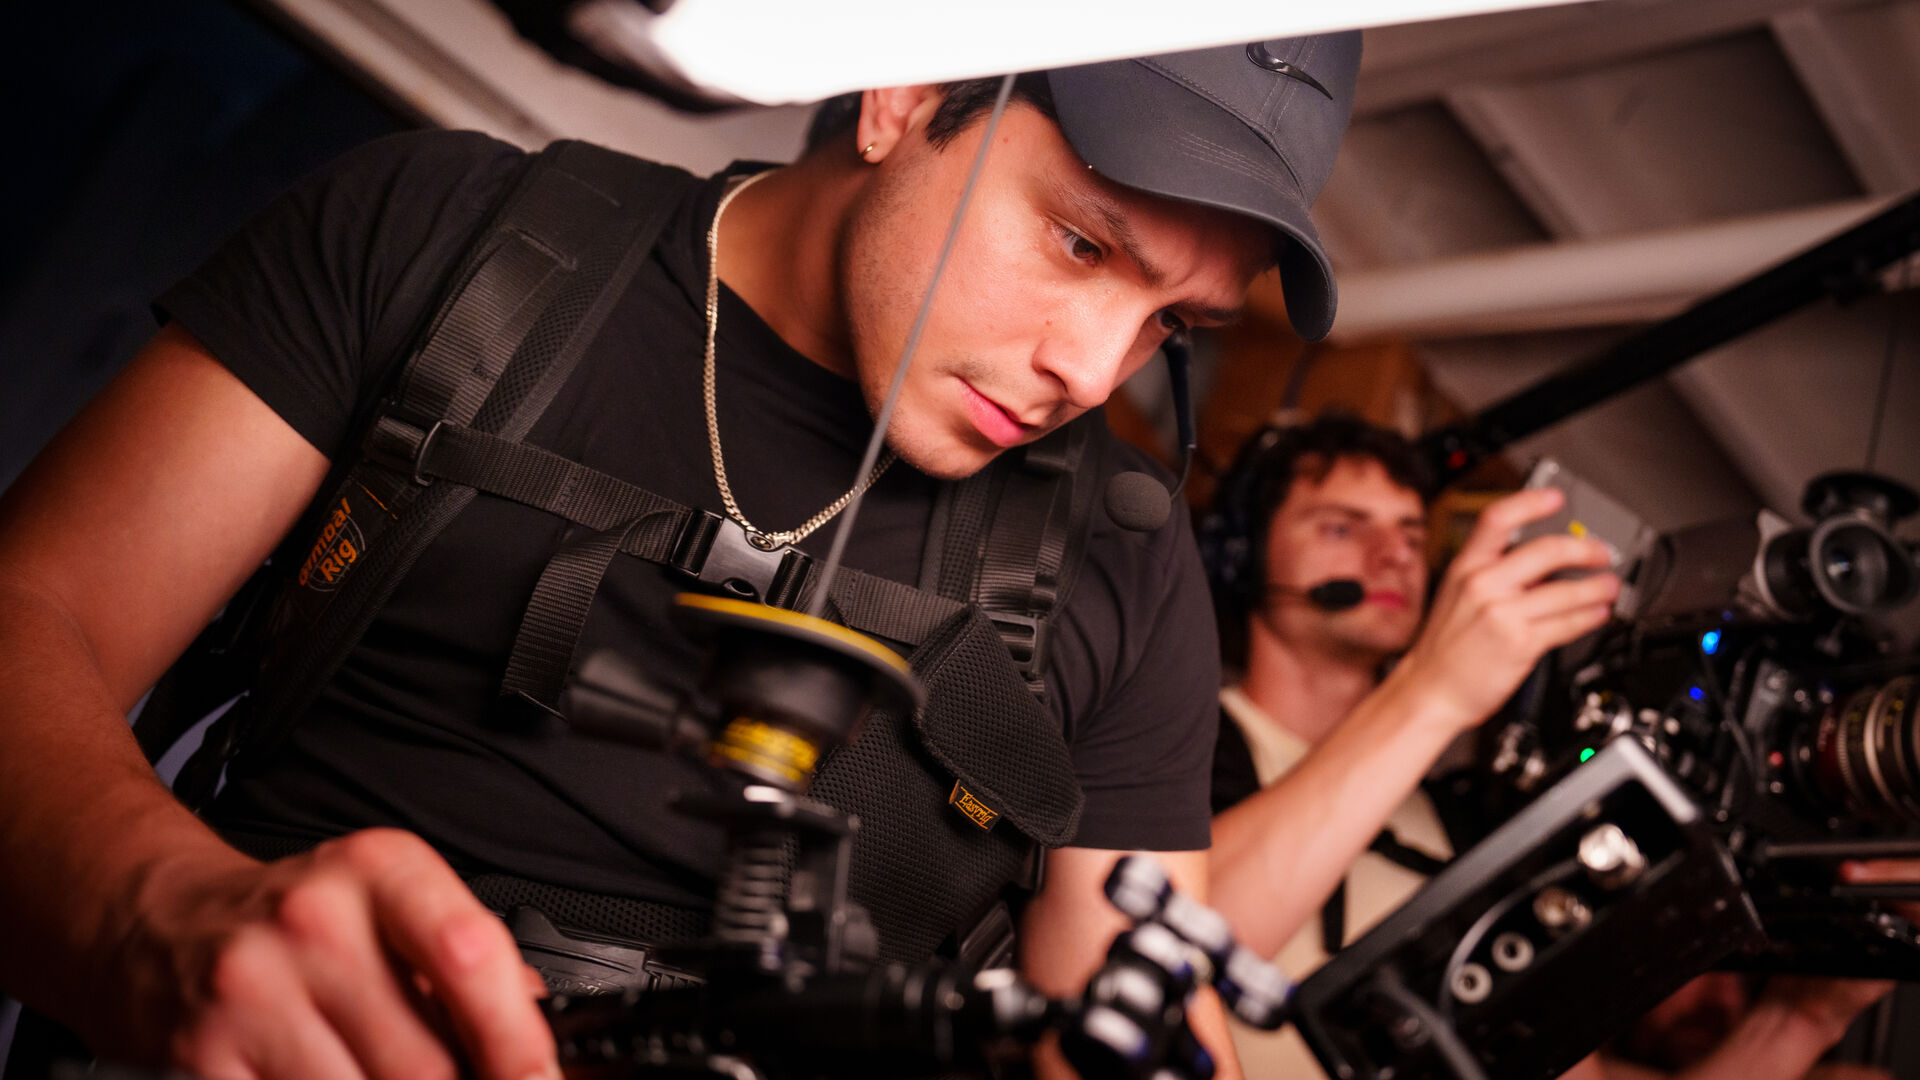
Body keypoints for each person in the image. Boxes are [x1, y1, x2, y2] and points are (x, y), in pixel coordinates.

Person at [0, 34, 1366, 1080]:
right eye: (1077, 243)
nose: (1094, 370)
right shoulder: (444, 237)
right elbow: (35, 610)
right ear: (906, 91)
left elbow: (1119, 1007)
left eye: (1171, 325)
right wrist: (154, 916)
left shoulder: (1128, 561)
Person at [1200, 414, 1910, 1080]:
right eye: (1341, 527)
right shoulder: (1183, 742)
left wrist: (1803, 1018)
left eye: (1413, 536)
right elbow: (1171, 943)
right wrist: (1432, 689)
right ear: (1243, 558)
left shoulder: (1462, 813)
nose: (1393, 557)